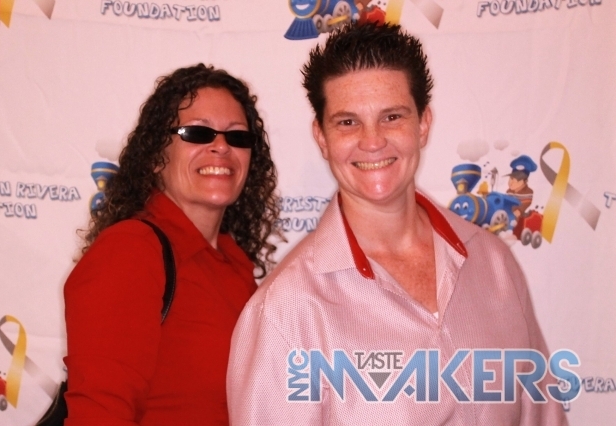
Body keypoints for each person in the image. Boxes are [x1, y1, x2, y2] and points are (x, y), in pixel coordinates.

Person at [227, 23, 568, 425]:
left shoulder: (493, 264)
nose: (372, 141)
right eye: (347, 122)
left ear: (422, 124)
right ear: (322, 137)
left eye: (391, 117)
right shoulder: (285, 311)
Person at [64, 64, 281, 425]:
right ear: (155, 157)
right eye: (197, 133)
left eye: (237, 137)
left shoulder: (234, 264)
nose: (221, 147)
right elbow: (99, 414)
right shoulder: (130, 252)